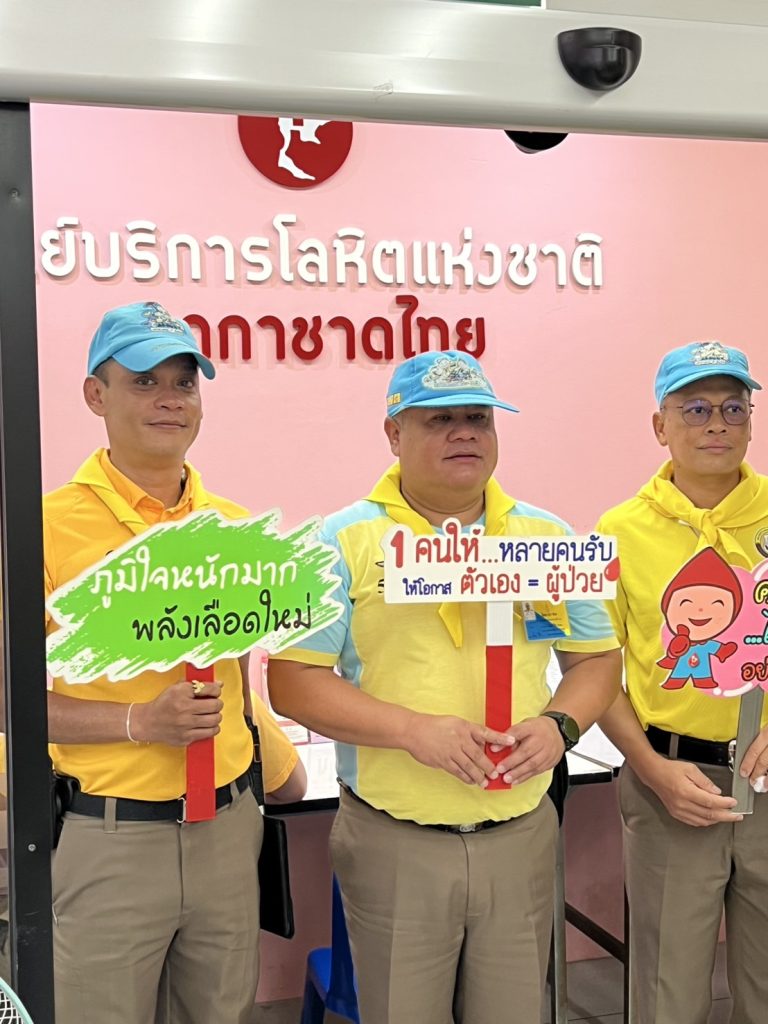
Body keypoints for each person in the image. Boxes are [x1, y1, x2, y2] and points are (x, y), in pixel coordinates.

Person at [269, 350, 621, 1024]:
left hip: (519, 834)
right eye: (439, 419)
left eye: (478, 418)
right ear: (393, 434)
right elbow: (291, 681)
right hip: (395, 841)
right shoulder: (334, 543)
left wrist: (561, 726)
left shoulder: (544, 538)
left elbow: (597, 660)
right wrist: (412, 731)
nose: (464, 433)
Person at [45, 300, 303, 1024]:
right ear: (96, 394)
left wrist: (275, 765)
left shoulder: (233, 529)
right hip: (109, 839)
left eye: (183, 383)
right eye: (144, 381)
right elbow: (9, 699)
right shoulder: (44, 527)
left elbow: (235, 677)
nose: (169, 399)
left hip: (227, 829)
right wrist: (139, 722)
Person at [596, 340, 768, 1024]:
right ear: (660, 426)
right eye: (695, 408)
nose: (716, 424)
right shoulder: (618, 531)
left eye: (733, 407)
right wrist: (650, 768)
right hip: (672, 784)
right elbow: (596, 667)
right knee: (669, 990)